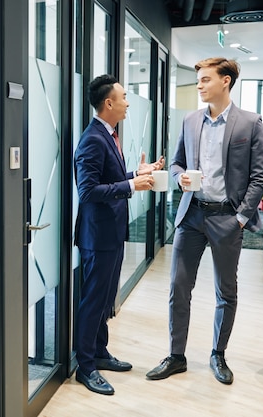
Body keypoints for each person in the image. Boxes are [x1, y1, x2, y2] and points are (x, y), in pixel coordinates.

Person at [146, 57, 263, 385]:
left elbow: (260, 178)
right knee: (178, 286)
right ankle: (176, 356)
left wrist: (241, 218)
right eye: (198, 80)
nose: (198, 85)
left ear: (225, 81)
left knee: (225, 291)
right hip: (192, 215)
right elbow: (175, 164)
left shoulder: (250, 123)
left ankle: (218, 354)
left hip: (228, 219)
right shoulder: (190, 120)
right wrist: (180, 178)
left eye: (204, 80)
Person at [74, 74, 165, 395]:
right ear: (108, 103)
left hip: (111, 234)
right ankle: (85, 367)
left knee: (103, 300)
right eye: (124, 97)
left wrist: (136, 174)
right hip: (97, 238)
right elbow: (87, 191)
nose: (128, 102)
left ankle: (99, 352)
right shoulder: (92, 139)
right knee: (93, 301)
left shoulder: (108, 134)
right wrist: (130, 185)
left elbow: (107, 179)